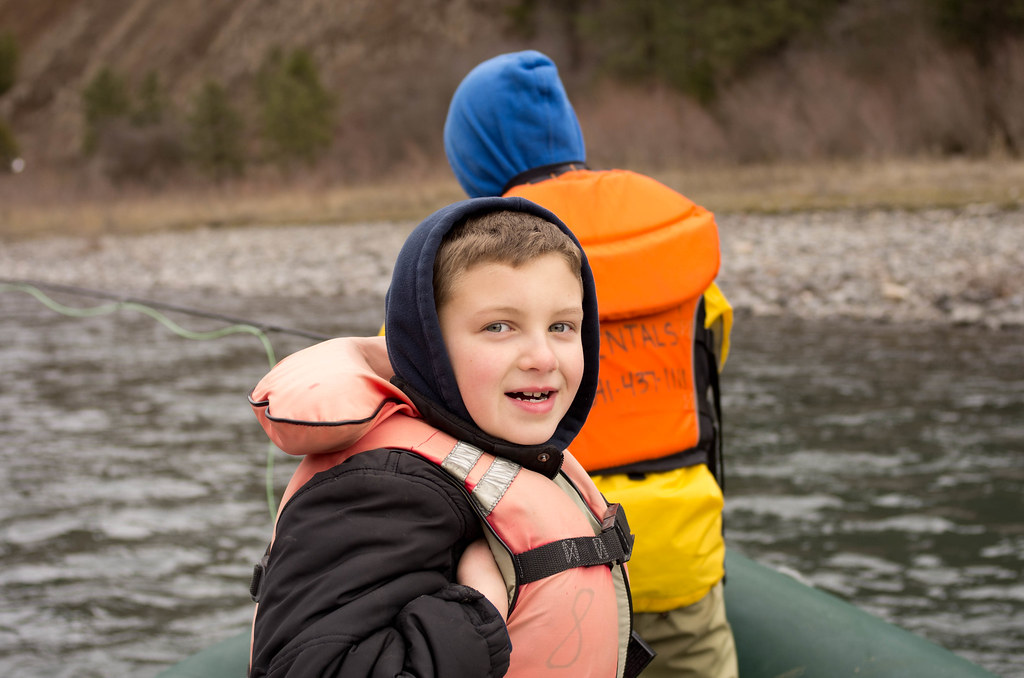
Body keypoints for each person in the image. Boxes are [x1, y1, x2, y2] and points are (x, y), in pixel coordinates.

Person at [246, 197, 652, 677]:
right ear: (430, 344)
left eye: (562, 326)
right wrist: (476, 610)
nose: (543, 357)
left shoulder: (502, 453)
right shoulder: (385, 487)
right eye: (499, 327)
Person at [444, 51, 737, 678]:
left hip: (549, 561)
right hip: (683, 551)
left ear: (475, 159)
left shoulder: (473, 258)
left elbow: (420, 396)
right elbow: (712, 350)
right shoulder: (668, 233)